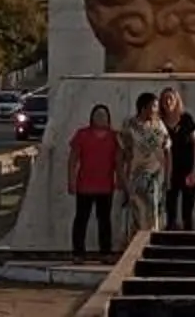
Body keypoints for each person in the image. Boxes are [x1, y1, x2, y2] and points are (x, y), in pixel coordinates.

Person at [66, 104, 122, 257]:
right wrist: (71, 181)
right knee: (81, 219)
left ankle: (105, 252)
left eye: (103, 115)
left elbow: (118, 161)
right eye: (97, 115)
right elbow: (73, 160)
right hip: (84, 185)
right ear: (91, 117)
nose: (100, 118)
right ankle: (78, 253)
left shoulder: (114, 137)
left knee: (104, 221)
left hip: (106, 185)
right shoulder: (82, 134)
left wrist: (120, 180)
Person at [125, 92, 170, 236]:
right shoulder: (130, 126)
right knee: (138, 215)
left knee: (155, 214)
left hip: (156, 176)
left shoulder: (159, 126)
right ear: (144, 108)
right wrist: (122, 178)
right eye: (154, 106)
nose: (157, 109)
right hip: (136, 177)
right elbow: (121, 154)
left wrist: (168, 177)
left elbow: (167, 150)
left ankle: (152, 245)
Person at [161, 85, 195, 230]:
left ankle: (188, 242)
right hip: (169, 170)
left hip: (188, 168)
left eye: (170, 99)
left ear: (176, 100)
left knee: (187, 210)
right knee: (170, 209)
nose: (168, 102)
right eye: (164, 99)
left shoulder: (186, 119)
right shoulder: (159, 122)